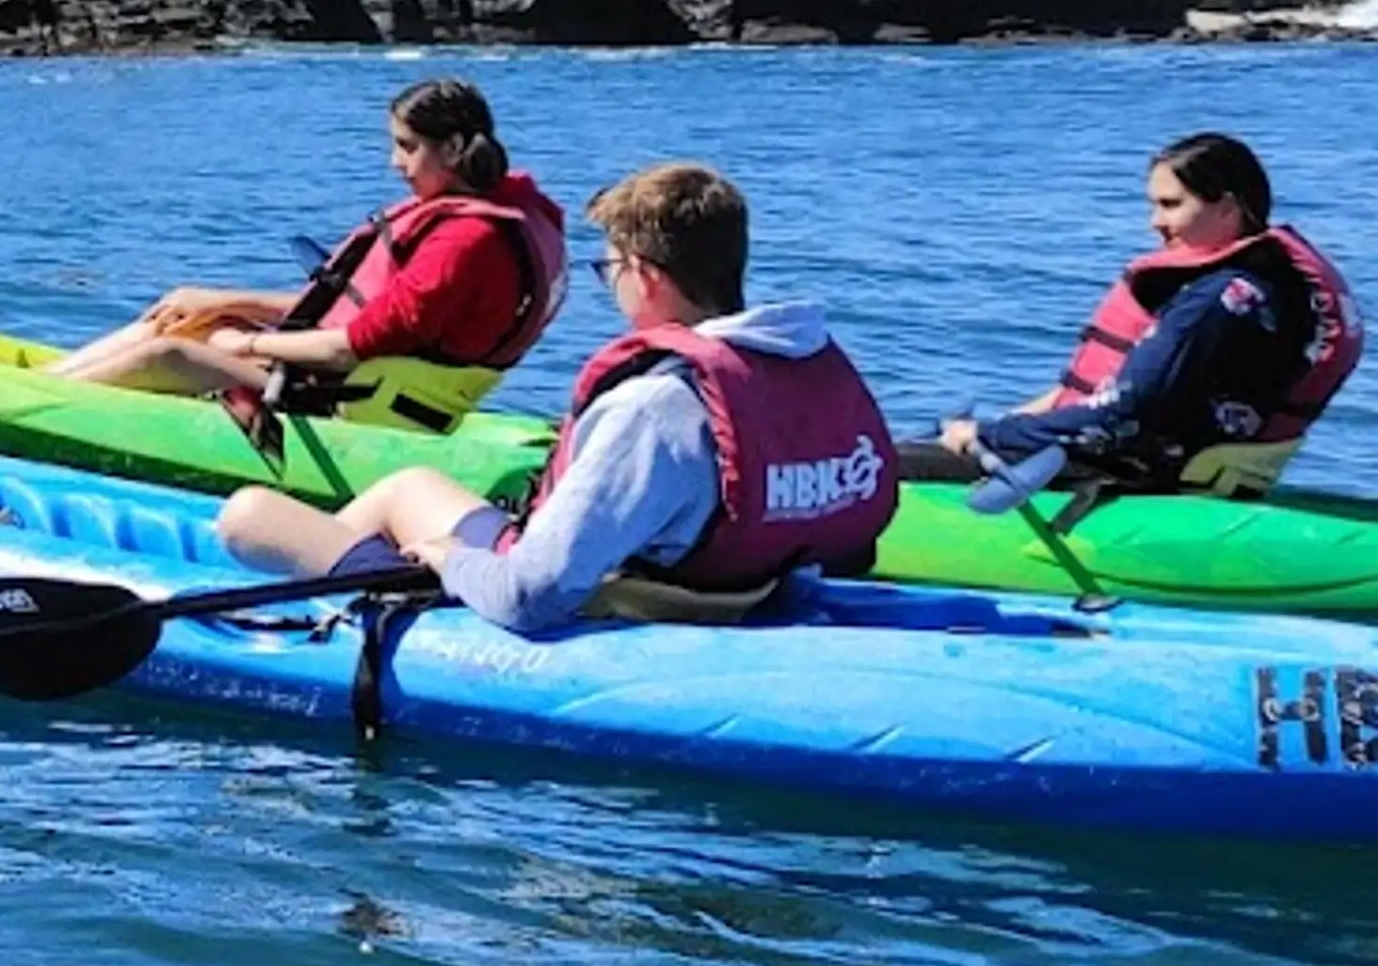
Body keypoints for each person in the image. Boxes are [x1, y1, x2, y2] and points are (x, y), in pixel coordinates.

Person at [210, 159, 899, 634]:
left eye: (610, 269)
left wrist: (451, 560)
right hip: (733, 578)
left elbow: (530, 595)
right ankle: (342, 576)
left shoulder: (654, 409)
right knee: (410, 486)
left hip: (631, 595)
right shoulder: (785, 358)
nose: (610, 285)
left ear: (646, 275)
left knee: (247, 515)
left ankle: (328, 610)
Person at [53, 75, 568, 427]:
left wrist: (246, 345)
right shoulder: (508, 214)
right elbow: (360, 315)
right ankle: (34, 385)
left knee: (166, 354)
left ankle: (28, 409)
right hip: (364, 382)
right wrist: (220, 301)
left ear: (454, 149)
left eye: (407, 147)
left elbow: (349, 346)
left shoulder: (466, 242)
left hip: (366, 405)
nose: (395, 163)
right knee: (178, 319)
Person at [940, 131, 1362, 495]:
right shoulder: (1267, 286)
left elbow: (1122, 411)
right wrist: (1021, 418)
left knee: (898, 464)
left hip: (1134, 471)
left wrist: (990, 434)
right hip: (1174, 460)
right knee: (928, 442)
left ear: (1227, 209)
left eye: (1170, 204)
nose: (1154, 222)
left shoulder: (1215, 302)